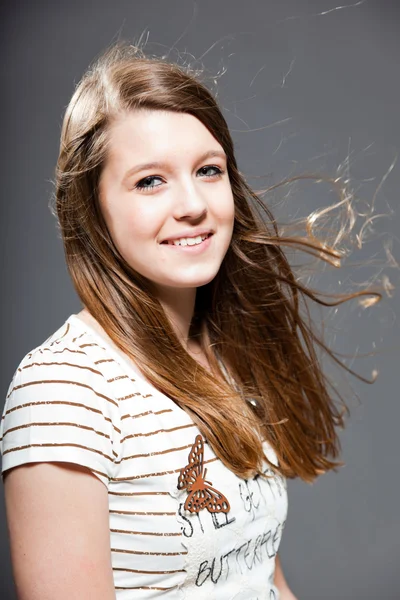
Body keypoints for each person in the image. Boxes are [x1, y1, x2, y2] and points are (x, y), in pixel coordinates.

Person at [0, 42, 370, 600]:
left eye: (208, 170)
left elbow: (259, 573)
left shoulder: (224, 353)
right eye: (150, 180)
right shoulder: (65, 390)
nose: (193, 203)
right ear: (92, 210)